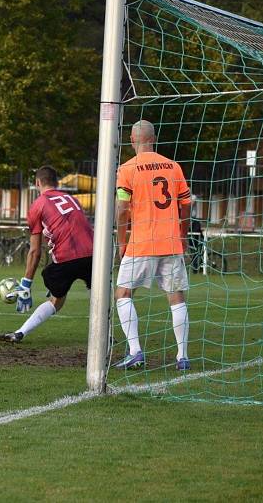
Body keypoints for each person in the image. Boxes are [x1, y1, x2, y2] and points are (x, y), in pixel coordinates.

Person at [114, 120, 192, 371]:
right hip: (170, 243)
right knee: (177, 298)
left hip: (141, 243)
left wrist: (121, 242)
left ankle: (136, 351)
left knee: (123, 294)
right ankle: (182, 357)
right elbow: (187, 205)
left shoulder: (127, 169)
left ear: (131, 140)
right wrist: (182, 236)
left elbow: (122, 210)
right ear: (154, 138)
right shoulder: (173, 166)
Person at [0, 166, 93, 343]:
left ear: (37, 183)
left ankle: (21, 332)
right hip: (93, 255)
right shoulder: (73, 199)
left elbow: (35, 251)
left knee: (56, 298)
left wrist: (26, 284)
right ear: (56, 183)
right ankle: (107, 337)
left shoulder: (38, 204)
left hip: (65, 259)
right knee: (99, 296)